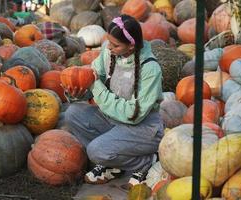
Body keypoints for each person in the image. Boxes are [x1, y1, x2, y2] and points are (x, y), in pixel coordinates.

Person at [59, 14, 164, 185]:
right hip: (113, 120)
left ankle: (148, 161)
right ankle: (114, 163)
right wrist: (78, 92)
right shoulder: (109, 55)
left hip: (143, 128)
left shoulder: (150, 69)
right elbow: (93, 85)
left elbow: (133, 114)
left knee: (96, 151)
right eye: (108, 41)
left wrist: (95, 86)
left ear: (131, 46)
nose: (108, 47)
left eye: (115, 45)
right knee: (73, 114)